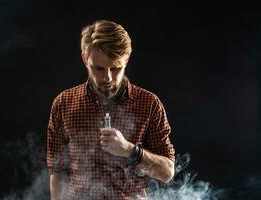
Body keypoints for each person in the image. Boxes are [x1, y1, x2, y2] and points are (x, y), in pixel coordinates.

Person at [47, 20, 175, 200]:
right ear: (85, 59)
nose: (107, 77)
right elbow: (57, 170)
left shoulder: (149, 103)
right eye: (98, 68)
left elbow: (167, 172)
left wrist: (130, 150)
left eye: (115, 68)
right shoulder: (63, 103)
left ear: (127, 60)